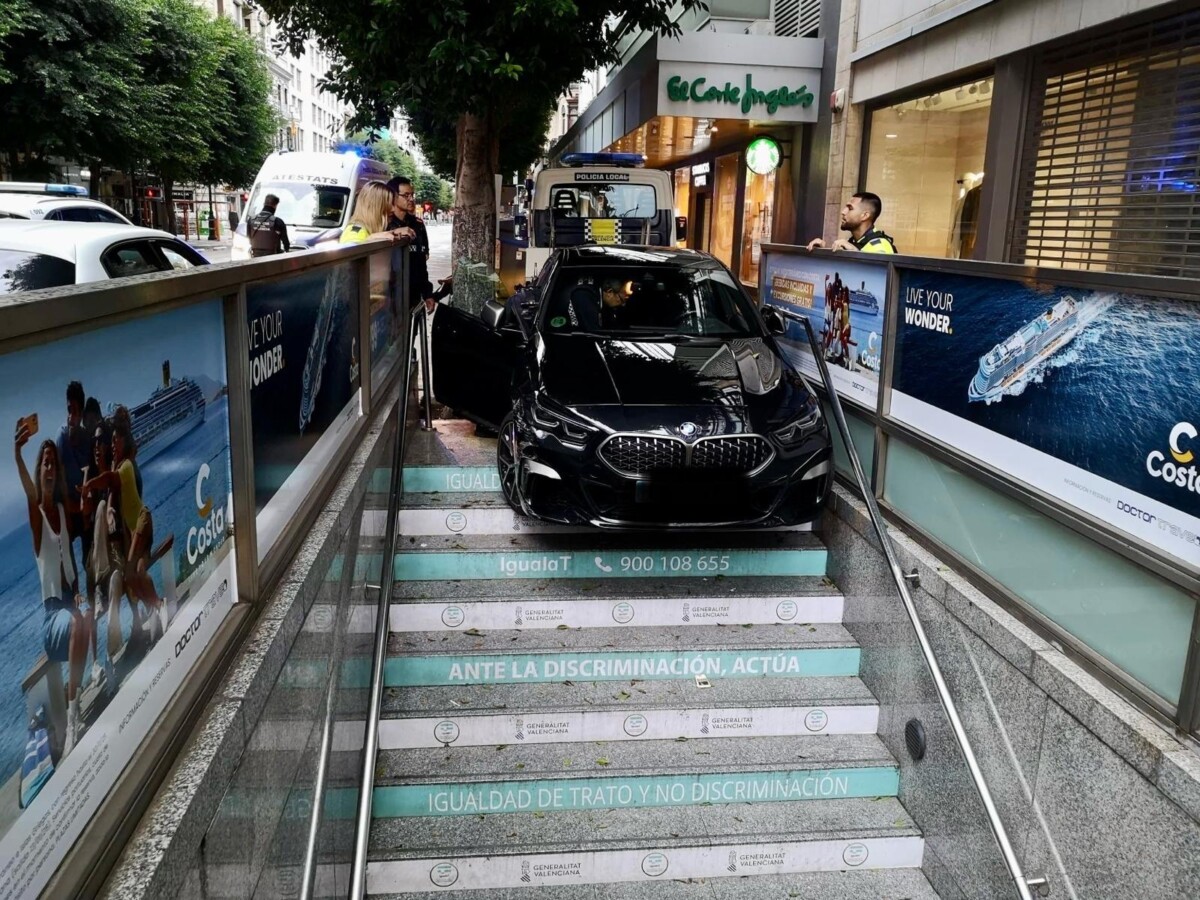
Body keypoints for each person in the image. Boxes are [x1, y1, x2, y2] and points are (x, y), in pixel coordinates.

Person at [15, 425, 90, 756]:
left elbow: (69, 566)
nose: (49, 467)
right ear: (39, 469)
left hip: (68, 606)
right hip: (51, 619)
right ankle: (72, 720)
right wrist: (17, 453)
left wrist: (76, 592)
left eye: (52, 463)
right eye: (44, 462)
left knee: (84, 616)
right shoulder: (38, 515)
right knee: (77, 623)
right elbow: (31, 495)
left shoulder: (61, 511)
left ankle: (73, 705)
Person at [386, 176, 434, 310]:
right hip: (389, 298)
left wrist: (427, 293)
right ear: (393, 196)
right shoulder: (385, 225)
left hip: (412, 297)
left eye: (412, 194)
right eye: (406, 195)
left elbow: (421, 264)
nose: (411, 199)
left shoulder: (418, 225)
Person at [806, 192, 897, 254]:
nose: (843, 212)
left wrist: (854, 252)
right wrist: (823, 251)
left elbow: (874, 278)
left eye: (850, 208)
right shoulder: (853, 242)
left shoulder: (880, 246)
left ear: (865, 215)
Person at [340, 181, 415, 246]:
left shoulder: (367, 230)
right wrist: (371, 240)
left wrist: (392, 232)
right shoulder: (354, 232)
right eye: (389, 204)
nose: (393, 209)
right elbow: (350, 255)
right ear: (375, 206)